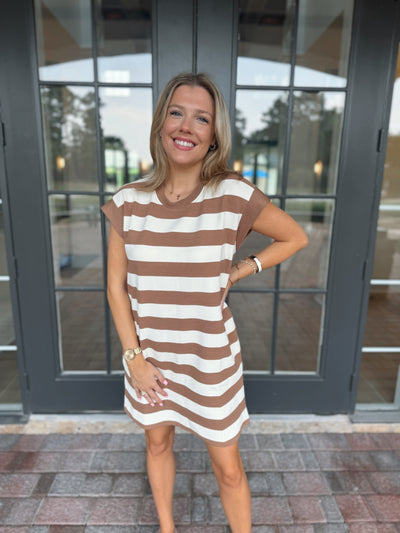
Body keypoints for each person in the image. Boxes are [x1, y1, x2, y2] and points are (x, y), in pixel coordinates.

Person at [102, 72, 308, 533]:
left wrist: (241, 268)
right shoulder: (128, 202)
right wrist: (134, 359)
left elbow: (295, 236)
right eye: (177, 112)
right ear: (160, 124)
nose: (186, 126)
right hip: (149, 356)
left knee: (228, 467)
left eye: (201, 118)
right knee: (157, 445)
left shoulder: (231, 195)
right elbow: (116, 287)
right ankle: (167, 528)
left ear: (213, 136)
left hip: (210, 359)